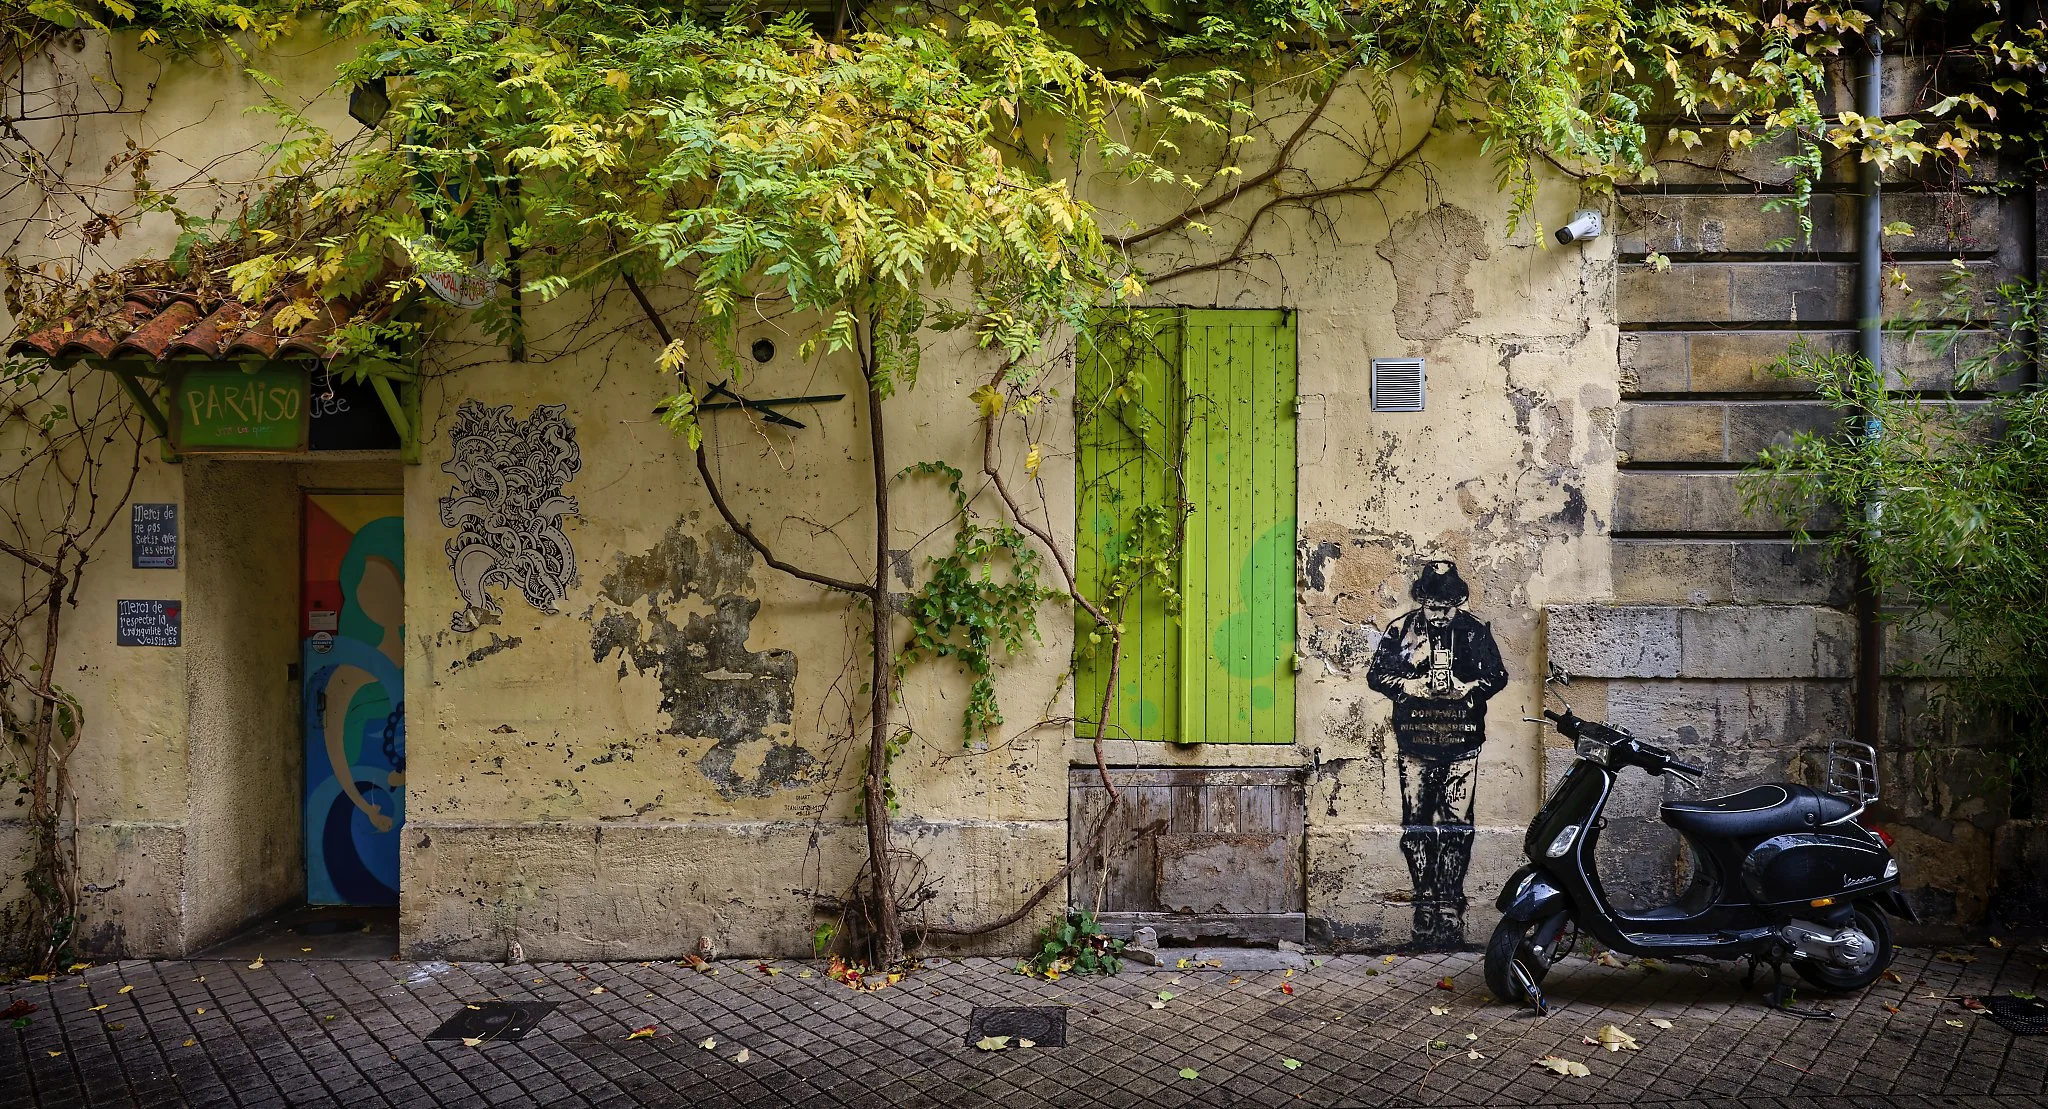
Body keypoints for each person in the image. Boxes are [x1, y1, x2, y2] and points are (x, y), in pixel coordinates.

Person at [1365, 560, 1508, 948]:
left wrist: (1469, 687)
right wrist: (1409, 687)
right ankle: (1423, 899)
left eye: (1448, 608)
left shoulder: (1476, 631)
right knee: (1416, 827)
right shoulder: (1400, 629)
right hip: (1414, 742)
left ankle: (1449, 904)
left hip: (1463, 743)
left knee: (1457, 827)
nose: (1442, 615)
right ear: (1422, 601)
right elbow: (1377, 676)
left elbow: (1498, 676)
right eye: (1434, 607)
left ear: (1458, 602)